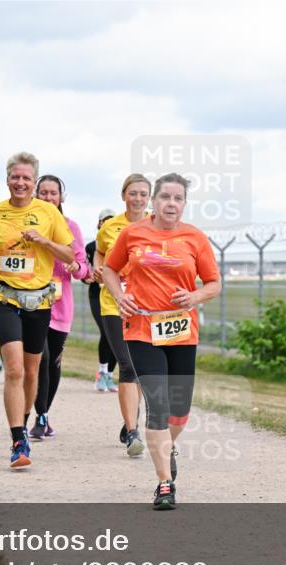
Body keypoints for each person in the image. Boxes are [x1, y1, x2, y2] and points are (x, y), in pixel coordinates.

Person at [102, 172, 221, 510]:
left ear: (184, 204)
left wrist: (194, 296)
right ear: (153, 201)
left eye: (178, 198)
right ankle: (164, 484)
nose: (171, 203)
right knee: (158, 406)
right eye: (165, 197)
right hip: (141, 328)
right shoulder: (132, 233)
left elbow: (214, 283)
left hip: (181, 331)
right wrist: (120, 295)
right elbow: (110, 269)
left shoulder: (195, 238)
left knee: (179, 413)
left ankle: (167, 447)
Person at [0, 151, 75, 468]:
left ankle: (25, 419)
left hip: (38, 301)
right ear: (7, 179)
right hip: (4, 297)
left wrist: (44, 241)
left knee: (31, 372)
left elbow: (69, 254)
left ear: (34, 182)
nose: (20, 182)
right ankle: (18, 440)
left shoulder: (48, 212)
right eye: (15, 177)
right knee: (15, 369)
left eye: (26, 178)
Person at [28, 175, 91, 440]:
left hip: (60, 305)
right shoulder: (27, 224)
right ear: (35, 195)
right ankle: (39, 414)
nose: (48, 197)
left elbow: (84, 268)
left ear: (61, 197)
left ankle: (43, 416)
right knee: (39, 359)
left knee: (53, 362)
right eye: (43, 192)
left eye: (53, 193)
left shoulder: (70, 227)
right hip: (32, 302)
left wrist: (76, 267)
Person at [95, 173, 151, 456]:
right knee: (128, 365)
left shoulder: (157, 225)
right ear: (123, 196)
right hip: (113, 303)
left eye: (143, 194)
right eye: (133, 193)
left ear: (149, 198)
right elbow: (100, 253)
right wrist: (98, 268)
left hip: (146, 305)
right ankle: (132, 432)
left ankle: (131, 415)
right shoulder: (110, 227)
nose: (138, 198)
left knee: (140, 367)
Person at [83, 209, 118, 392]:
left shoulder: (120, 244)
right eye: (105, 220)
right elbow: (85, 270)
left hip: (116, 294)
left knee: (118, 335)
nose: (108, 224)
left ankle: (110, 375)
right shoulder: (91, 247)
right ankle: (102, 372)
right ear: (99, 224)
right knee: (106, 332)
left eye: (112, 220)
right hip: (97, 295)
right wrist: (87, 278)